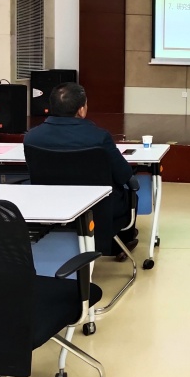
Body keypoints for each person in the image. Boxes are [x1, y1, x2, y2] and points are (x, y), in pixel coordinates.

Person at [24, 82, 139, 259]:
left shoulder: (31, 137)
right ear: (81, 110)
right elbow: (124, 175)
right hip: (98, 209)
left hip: (51, 205)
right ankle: (117, 245)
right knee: (131, 195)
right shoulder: (99, 137)